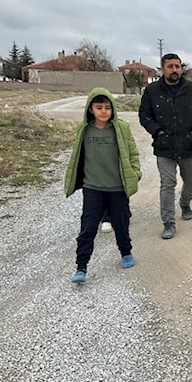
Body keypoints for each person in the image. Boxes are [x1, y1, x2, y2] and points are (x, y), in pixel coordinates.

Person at [64, 88, 141, 283]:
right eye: (99, 107)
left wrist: (135, 173)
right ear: (90, 109)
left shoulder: (121, 129)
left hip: (117, 188)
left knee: (121, 223)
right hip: (93, 188)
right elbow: (76, 157)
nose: (104, 111)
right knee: (88, 227)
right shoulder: (84, 129)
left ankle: (126, 253)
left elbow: (132, 153)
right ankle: (81, 266)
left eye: (107, 107)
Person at [139, 53, 192, 239]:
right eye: (170, 66)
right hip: (164, 147)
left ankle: (185, 203)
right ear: (162, 69)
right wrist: (158, 132)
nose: (175, 70)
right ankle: (168, 222)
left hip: (188, 145)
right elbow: (145, 115)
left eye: (177, 66)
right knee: (167, 184)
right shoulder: (152, 91)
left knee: (191, 181)